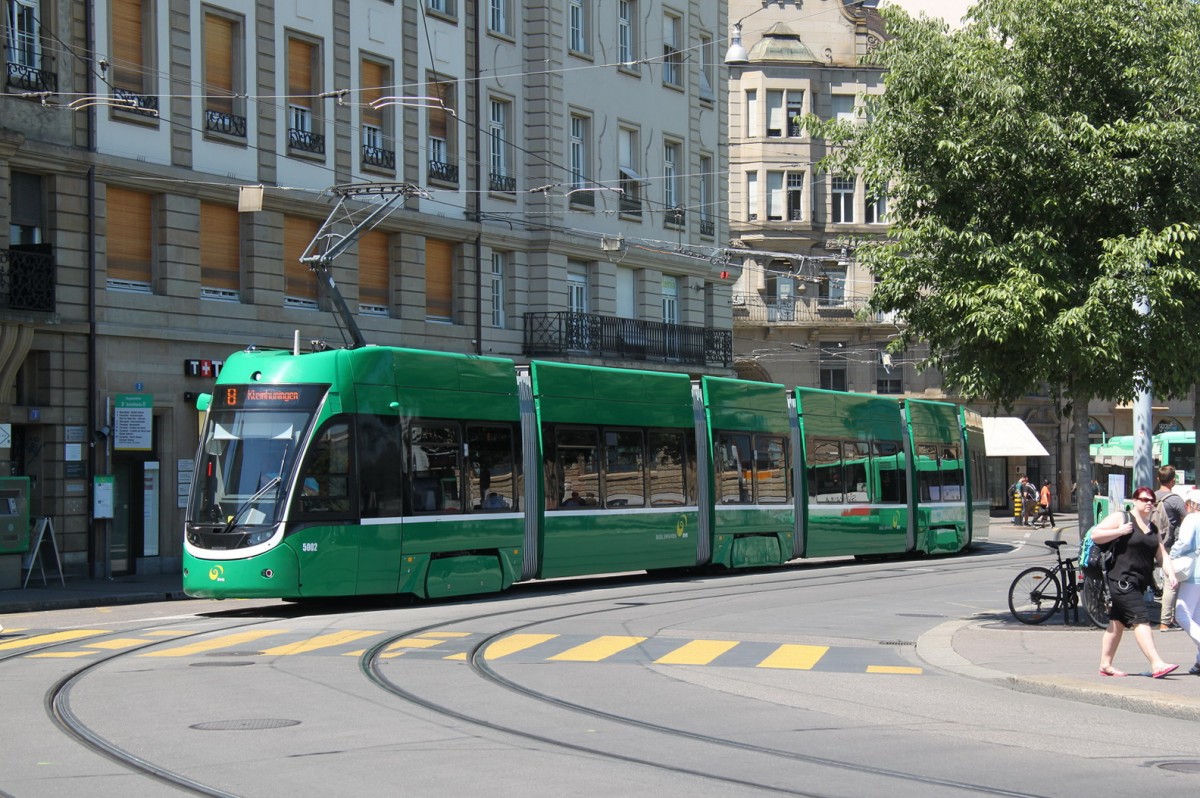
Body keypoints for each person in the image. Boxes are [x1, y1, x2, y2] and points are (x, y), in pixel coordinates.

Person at [1093, 486, 1178, 678]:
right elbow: (1095, 535)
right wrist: (1120, 531)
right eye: (1144, 499)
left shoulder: (1152, 528)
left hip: (1138, 582)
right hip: (1121, 580)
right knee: (1141, 618)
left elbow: (1161, 554)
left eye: (1151, 501)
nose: (1149, 503)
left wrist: (1171, 574)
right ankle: (1157, 663)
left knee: (1117, 622)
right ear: (1134, 501)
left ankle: (1105, 665)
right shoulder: (1123, 518)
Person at [1169, 489, 1200, 675]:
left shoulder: (1192, 518)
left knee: (1181, 613)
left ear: (1190, 504)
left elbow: (1184, 542)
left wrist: (1170, 557)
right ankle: (1199, 661)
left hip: (1194, 571)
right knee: (1196, 616)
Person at [1155, 465, 1187, 631]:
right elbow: (1187, 521)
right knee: (1171, 583)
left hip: (1150, 544)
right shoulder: (1175, 499)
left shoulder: (1151, 497)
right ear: (1173, 480)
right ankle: (1165, 622)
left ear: (1158, 479)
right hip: (1168, 546)